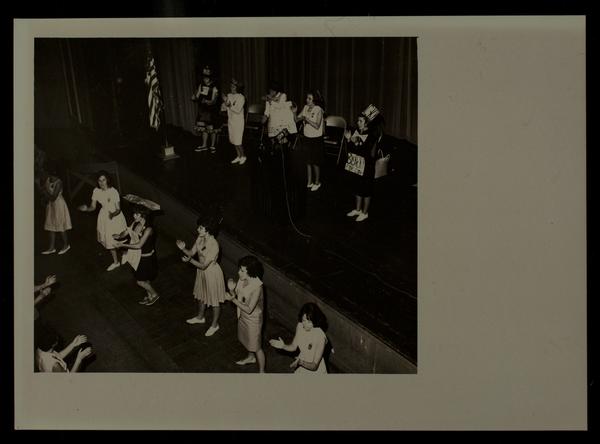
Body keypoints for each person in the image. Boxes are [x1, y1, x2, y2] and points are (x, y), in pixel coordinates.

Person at [176, 215, 226, 337]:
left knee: (214, 301)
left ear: (208, 230)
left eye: (201, 228)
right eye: (199, 227)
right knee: (200, 294)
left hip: (211, 273)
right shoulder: (200, 237)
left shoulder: (214, 245)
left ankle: (215, 325)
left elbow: (204, 265)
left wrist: (189, 260)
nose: (198, 229)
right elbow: (191, 252)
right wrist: (183, 249)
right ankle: (200, 317)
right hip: (201, 271)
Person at [78, 170, 128, 271]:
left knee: (119, 238)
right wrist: (86, 209)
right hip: (104, 217)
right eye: (99, 180)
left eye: (103, 180)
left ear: (107, 180)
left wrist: (112, 214)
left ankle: (125, 253)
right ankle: (116, 262)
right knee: (109, 240)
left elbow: (118, 209)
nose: (101, 183)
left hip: (115, 217)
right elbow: (93, 207)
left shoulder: (113, 191)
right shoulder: (96, 191)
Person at [225, 255, 266, 373]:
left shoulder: (257, 287)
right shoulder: (242, 279)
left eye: (242, 270)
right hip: (242, 315)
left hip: (253, 319)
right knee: (248, 340)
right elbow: (238, 295)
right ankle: (250, 357)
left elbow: (249, 309)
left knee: (257, 347)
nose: (239, 272)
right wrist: (231, 289)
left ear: (250, 272)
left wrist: (233, 299)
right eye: (240, 269)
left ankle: (262, 372)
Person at [344, 104, 384, 222]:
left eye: (361, 121)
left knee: (366, 190)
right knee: (357, 187)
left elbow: (367, 152)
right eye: (358, 120)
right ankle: (357, 209)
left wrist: (355, 141)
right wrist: (348, 139)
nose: (358, 122)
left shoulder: (372, 135)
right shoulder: (357, 131)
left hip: (367, 166)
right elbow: (351, 149)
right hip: (357, 165)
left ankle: (365, 212)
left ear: (367, 123)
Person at [113, 206, 160, 306]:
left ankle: (154, 294)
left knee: (140, 281)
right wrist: (119, 236)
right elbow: (126, 231)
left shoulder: (148, 229)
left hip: (147, 259)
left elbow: (139, 245)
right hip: (138, 256)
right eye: (134, 213)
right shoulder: (135, 222)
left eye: (137, 214)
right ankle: (150, 296)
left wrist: (122, 245)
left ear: (143, 215)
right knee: (145, 279)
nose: (134, 216)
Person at [269, 302, 329, 374]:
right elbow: (293, 346)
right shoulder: (300, 326)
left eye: (309, 322)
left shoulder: (320, 337)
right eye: (304, 320)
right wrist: (283, 346)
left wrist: (300, 362)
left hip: (314, 371)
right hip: (302, 363)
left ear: (315, 320)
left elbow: (314, 366)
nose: (305, 324)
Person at [296, 90, 325, 191]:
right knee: (308, 161)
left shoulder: (319, 109)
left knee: (315, 162)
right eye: (307, 98)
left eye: (310, 98)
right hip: (307, 137)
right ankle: (309, 181)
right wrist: (294, 112)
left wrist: (306, 119)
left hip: (316, 139)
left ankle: (317, 182)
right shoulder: (305, 107)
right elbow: (296, 119)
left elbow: (317, 125)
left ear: (314, 100)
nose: (307, 100)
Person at [41, 165, 72, 255]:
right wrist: (43, 196)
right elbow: (44, 191)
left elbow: (53, 197)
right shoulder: (48, 179)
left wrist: (44, 192)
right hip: (51, 205)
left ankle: (66, 245)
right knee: (50, 226)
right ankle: (51, 248)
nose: (51, 176)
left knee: (60, 226)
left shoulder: (59, 182)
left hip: (59, 205)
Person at [192, 66, 220, 153]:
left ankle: (212, 145)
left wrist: (208, 101)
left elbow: (214, 100)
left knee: (211, 128)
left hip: (211, 110)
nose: (205, 79)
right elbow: (197, 96)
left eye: (207, 77)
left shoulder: (214, 87)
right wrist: (194, 98)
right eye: (204, 77)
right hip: (202, 110)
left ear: (210, 78)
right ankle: (204, 145)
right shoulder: (201, 85)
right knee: (203, 128)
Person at [222, 78, 247, 165]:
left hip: (238, 122)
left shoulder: (241, 97)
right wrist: (224, 102)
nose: (231, 88)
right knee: (233, 140)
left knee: (238, 141)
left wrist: (228, 104)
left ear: (237, 88)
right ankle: (238, 156)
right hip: (231, 121)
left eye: (233, 87)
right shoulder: (229, 95)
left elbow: (237, 110)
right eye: (231, 86)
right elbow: (225, 107)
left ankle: (243, 156)